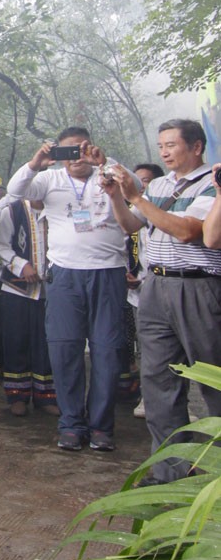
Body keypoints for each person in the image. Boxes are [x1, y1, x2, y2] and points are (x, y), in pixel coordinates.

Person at [103, 120, 221, 482]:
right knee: (158, 381)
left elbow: (188, 231)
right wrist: (115, 197)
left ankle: (215, 474)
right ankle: (170, 471)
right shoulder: (160, 185)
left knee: (213, 379)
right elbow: (130, 226)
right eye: (161, 145)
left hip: (197, 287)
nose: (165, 151)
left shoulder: (211, 183)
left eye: (172, 144)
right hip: (154, 285)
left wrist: (136, 195)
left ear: (197, 147)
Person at [6, 129, 132, 453]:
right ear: (57, 154)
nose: (76, 157)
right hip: (64, 275)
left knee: (107, 350)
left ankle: (102, 427)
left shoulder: (109, 173)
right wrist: (36, 162)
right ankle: (72, 424)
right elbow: (15, 188)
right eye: (69, 152)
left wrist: (105, 161)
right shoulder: (49, 180)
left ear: (92, 147)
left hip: (108, 272)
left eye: (82, 149)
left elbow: (137, 187)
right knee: (64, 351)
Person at [0, 196, 57, 417]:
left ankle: (45, 396)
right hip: (16, 289)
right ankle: (17, 395)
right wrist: (22, 265)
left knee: (46, 342)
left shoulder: (57, 207)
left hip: (50, 291)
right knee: (16, 340)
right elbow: (0, 245)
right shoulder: (12, 211)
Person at [126, 162, 163, 417]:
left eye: (147, 181)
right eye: (138, 181)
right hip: (135, 292)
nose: (142, 185)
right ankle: (146, 398)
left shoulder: (162, 212)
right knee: (143, 348)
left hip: (163, 285)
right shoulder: (131, 213)